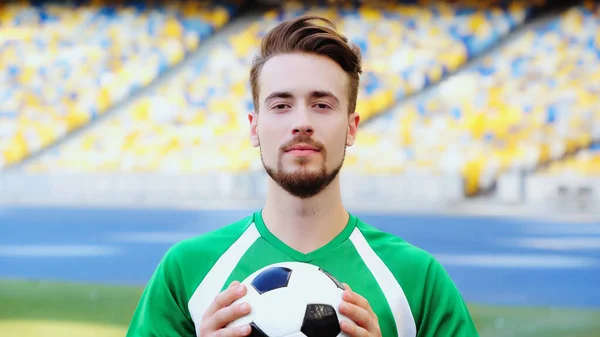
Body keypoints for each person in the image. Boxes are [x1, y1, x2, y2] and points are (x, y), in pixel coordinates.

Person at [126, 15, 479, 337]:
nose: (301, 122)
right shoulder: (186, 272)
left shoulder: (417, 280)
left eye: (322, 104)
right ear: (254, 127)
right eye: (281, 105)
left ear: (351, 128)